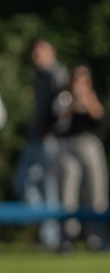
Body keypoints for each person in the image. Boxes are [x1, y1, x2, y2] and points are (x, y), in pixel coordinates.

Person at [13, 39, 68, 248]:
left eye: (40, 51)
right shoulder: (38, 76)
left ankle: (50, 237)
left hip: (48, 141)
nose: (35, 54)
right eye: (34, 51)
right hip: (33, 139)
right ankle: (43, 224)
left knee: (49, 188)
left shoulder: (58, 75)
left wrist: (53, 131)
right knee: (21, 184)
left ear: (51, 52)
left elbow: (63, 108)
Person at [52, 64, 109, 250]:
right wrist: (71, 107)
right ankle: (67, 240)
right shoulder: (63, 98)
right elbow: (57, 124)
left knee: (96, 192)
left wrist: (87, 100)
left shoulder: (92, 98)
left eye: (82, 80)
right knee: (67, 194)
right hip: (67, 146)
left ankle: (97, 239)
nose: (77, 84)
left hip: (88, 144)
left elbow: (100, 119)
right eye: (75, 79)